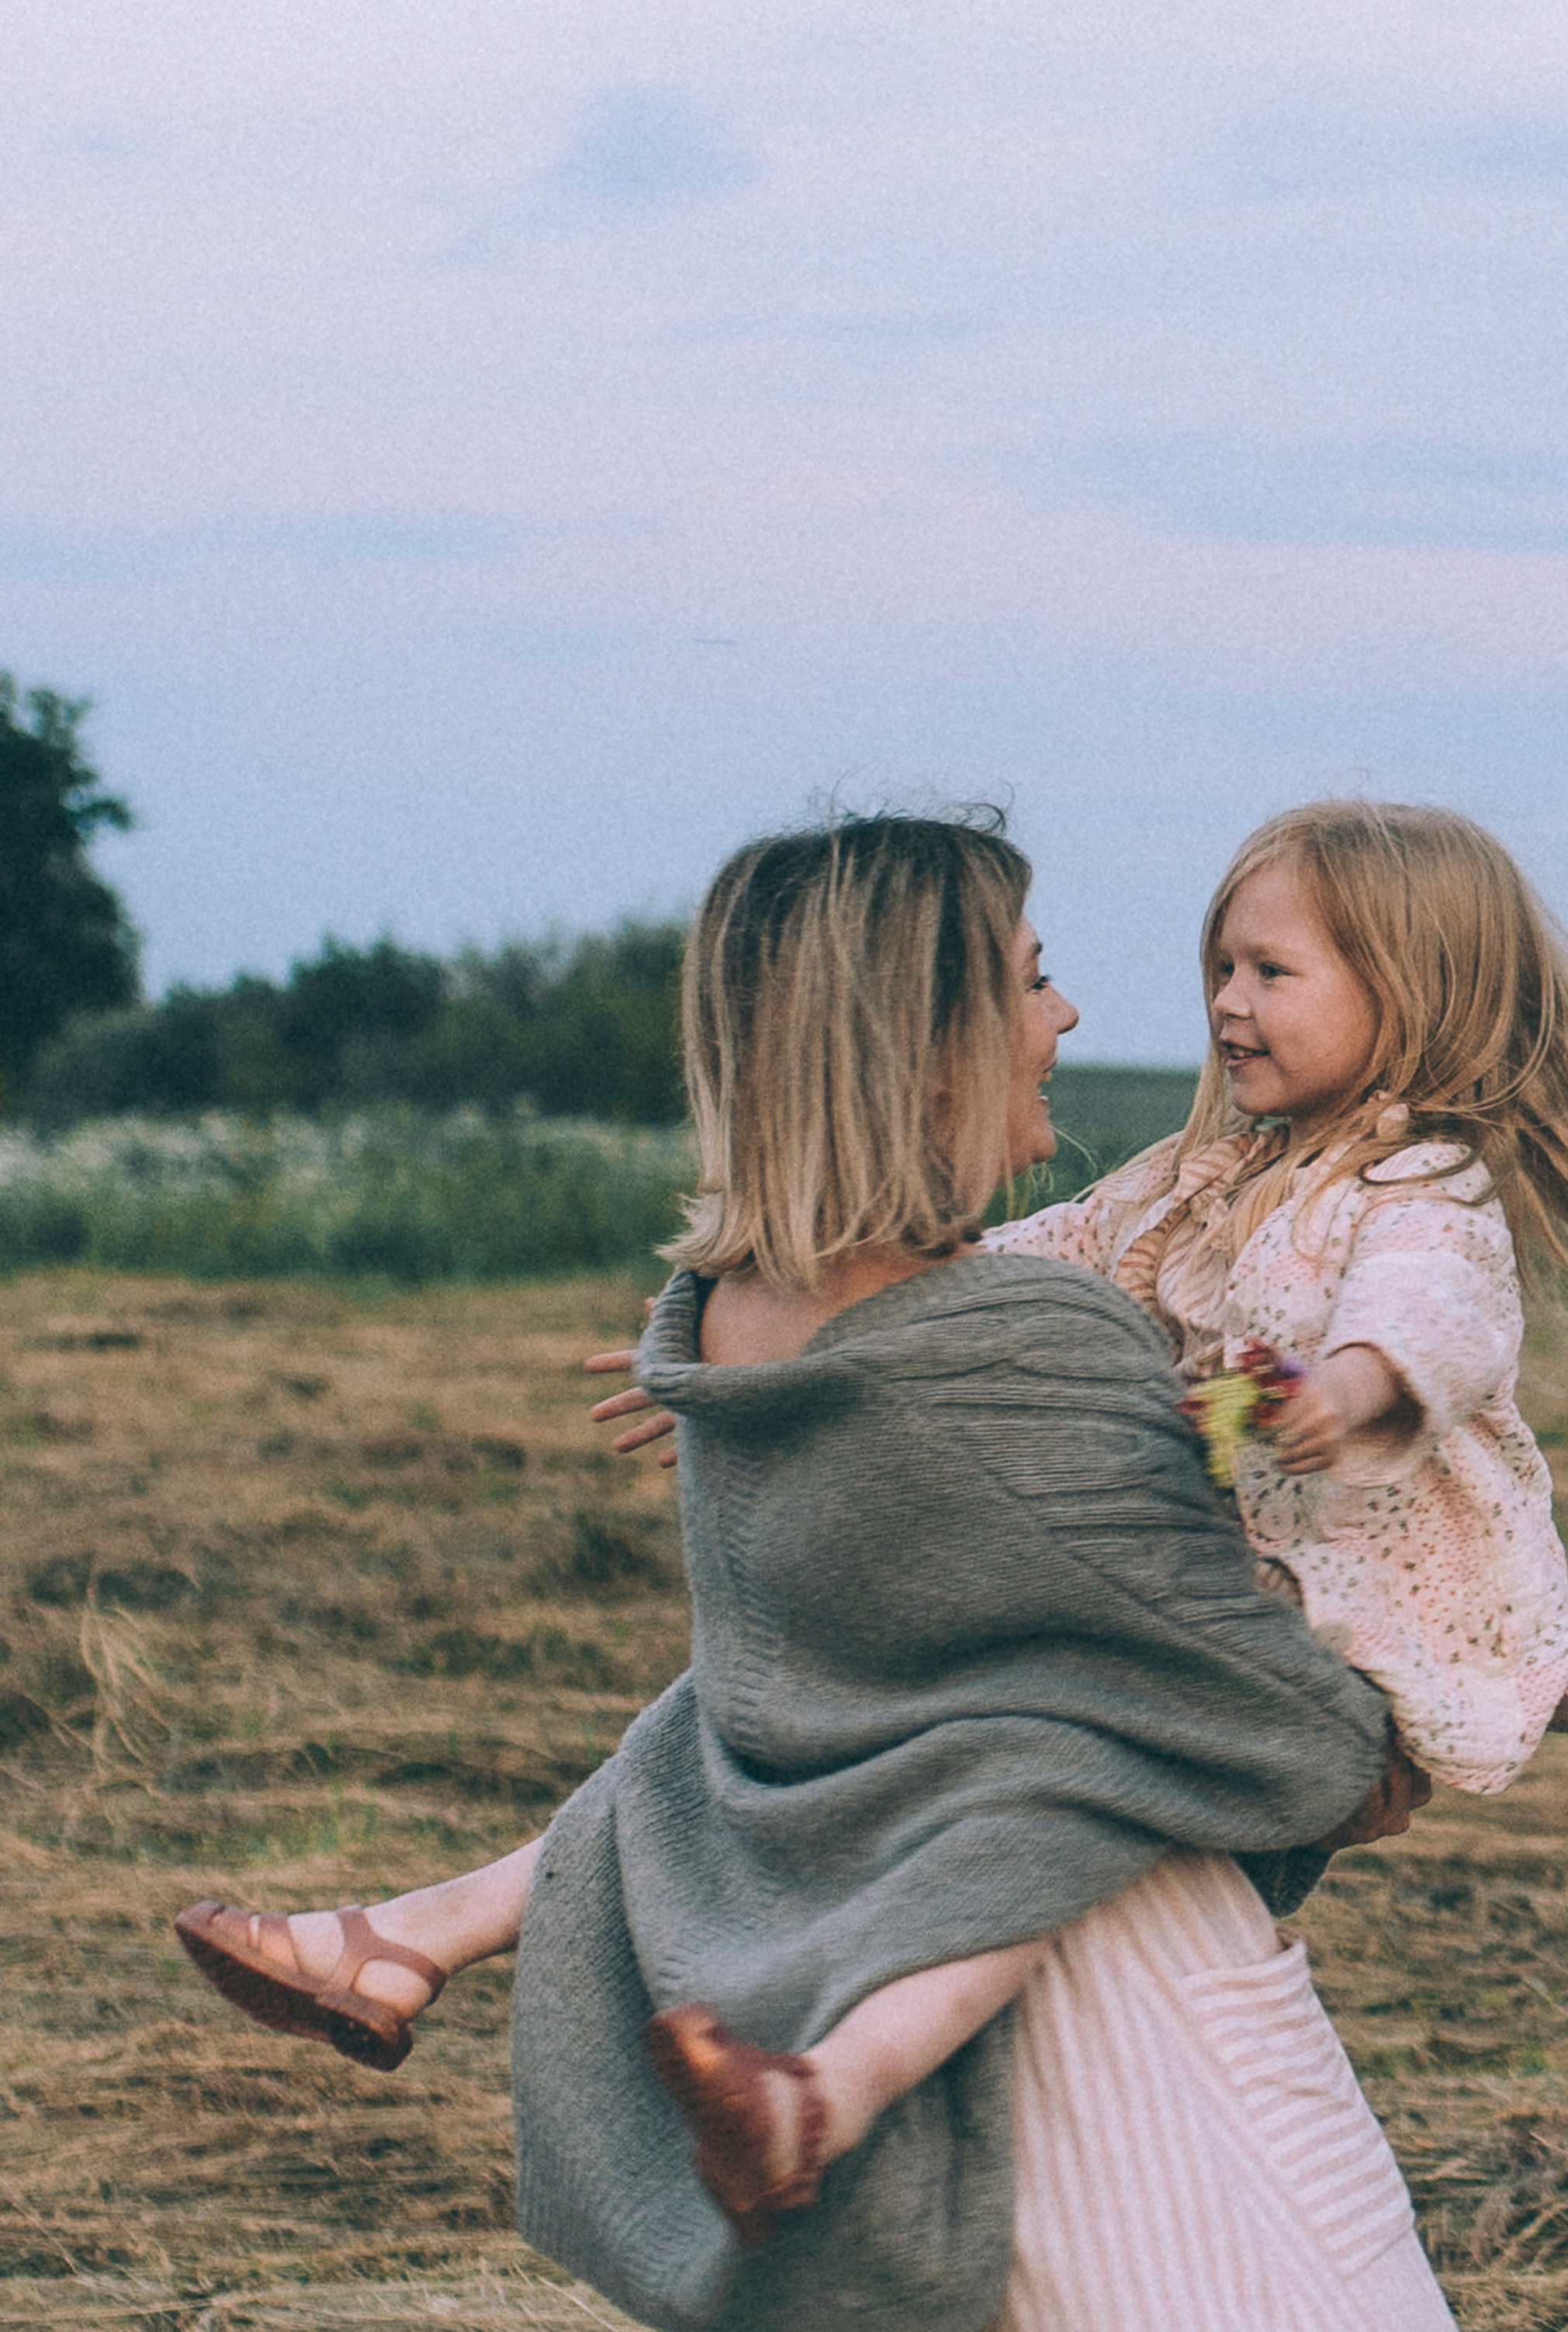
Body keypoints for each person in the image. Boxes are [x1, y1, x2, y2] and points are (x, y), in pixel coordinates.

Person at [176, 811, 1457, 2332]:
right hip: (1113, 2017)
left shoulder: (731, 1326)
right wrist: (1390, 1733)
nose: (1063, 1021)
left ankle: (405, 1934)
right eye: (1030, 983)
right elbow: (1268, 1723)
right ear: (916, 1045)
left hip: (852, 1957)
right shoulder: (1017, 1355)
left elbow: (779, 1698)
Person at [590, 795, 1568, 2216]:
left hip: (1360, 1648)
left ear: (1410, 996)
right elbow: (1020, 1265)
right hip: (1242, 1620)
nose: (1228, 1003)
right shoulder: (1203, 1175)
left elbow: (1436, 1311)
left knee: (1053, 1810)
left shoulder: (1420, 1184)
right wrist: (797, 1356)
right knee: (975, 1795)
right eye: (1222, 967)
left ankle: (832, 2087)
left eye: (1274, 973)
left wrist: (1350, 1386)